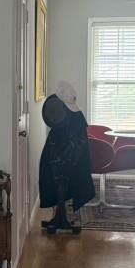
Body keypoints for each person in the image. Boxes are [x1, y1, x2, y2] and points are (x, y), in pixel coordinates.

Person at [39, 81, 96, 228]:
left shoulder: (75, 117)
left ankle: (61, 218)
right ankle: (59, 217)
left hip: (70, 157)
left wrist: (68, 157)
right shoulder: (65, 113)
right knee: (56, 183)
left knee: (63, 183)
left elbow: (78, 141)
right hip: (61, 155)